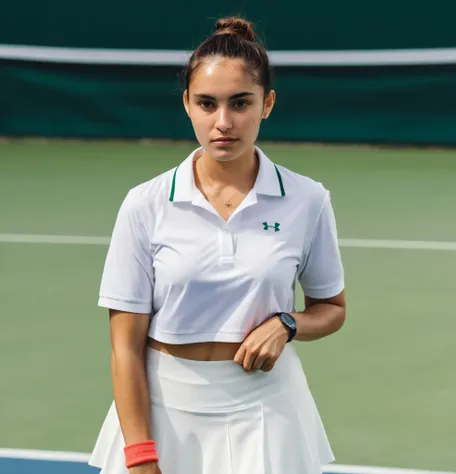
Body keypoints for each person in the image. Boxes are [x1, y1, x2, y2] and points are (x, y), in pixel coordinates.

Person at [89, 16, 346, 474]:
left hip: (269, 412)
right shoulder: (144, 204)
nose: (223, 122)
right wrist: (141, 457)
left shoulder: (309, 200)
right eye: (207, 103)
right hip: (166, 410)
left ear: (267, 104)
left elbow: (332, 307)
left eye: (240, 103)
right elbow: (124, 349)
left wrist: (288, 323)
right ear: (187, 103)